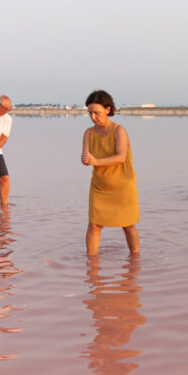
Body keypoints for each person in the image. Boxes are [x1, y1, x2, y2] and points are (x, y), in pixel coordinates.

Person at [81, 90, 139, 255]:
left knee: (128, 225)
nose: (93, 117)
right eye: (90, 113)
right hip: (99, 187)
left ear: (108, 110)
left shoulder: (119, 131)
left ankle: (135, 259)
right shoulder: (88, 133)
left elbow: (121, 157)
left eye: (97, 113)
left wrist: (96, 161)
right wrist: (86, 160)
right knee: (94, 225)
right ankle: (91, 265)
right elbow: (85, 158)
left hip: (123, 186)